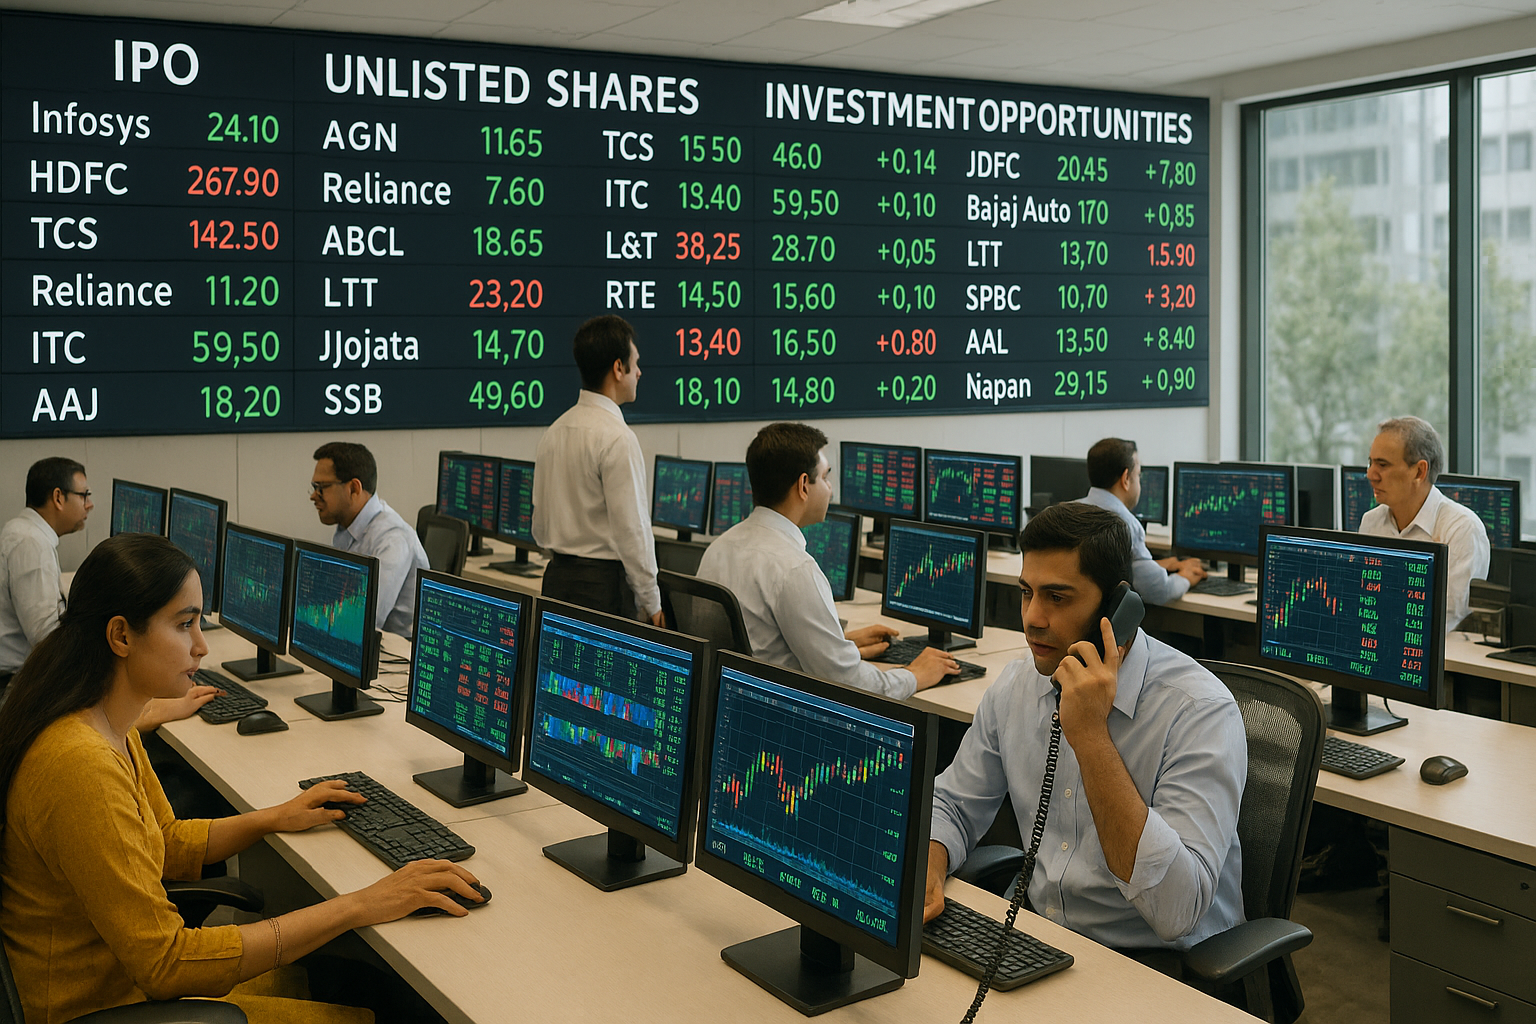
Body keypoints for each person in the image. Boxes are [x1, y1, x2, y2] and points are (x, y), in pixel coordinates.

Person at [0, 534, 483, 1024]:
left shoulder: (105, 722)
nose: (201, 645)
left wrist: (274, 817)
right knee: (383, 1006)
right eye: (184, 624)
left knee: (364, 984)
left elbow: (163, 842)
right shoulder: (81, 765)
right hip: (106, 1007)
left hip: (131, 989)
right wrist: (359, 904)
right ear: (121, 636)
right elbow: (167, 965)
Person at [925, 502, 1246, 954]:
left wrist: (1092, 737)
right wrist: (932, 865)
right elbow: (955, 803)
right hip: (1043, 939)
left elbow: (1177, 911)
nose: (1033, 617)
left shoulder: (1199, 711)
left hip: (1158, 965)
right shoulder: (1017, 685)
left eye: (1057, 597)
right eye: (1025, 593)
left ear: (1117, 608)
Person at [697, 423, 959, 697]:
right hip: (786, 718)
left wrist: (840, 643)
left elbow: (761, 641)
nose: (830, 488)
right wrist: (914, 675)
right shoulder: (794, 570)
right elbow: (848, 684)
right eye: (825, 477)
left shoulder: (719, 548)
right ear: (803, 486)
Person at [532, 315, 662, 625]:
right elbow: (632, 532)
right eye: (635, 363)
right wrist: (651, 601)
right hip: (601, 590)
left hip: (556, 580)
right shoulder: (617, 438)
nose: (639, 372)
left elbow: (538, 524)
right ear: (618, 368)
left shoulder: (555, 430)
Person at [1360, 416, 1490, 632]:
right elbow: (1365, 601)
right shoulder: (1371, 521)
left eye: (1382, 465)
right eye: (1370, 462)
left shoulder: (1462, 528)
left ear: (1419, 471)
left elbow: (1451, 622)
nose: (1370, 475)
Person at [310, 441, 429, 637]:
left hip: (397, 656)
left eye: (322, 487)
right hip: (362, 646)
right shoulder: (347, 528)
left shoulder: (392, 539)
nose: (314, 496)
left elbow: (365, 620)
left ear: (354, 488)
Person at [1076, 438, 1205, 605]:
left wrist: (1157, 565)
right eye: (1138, 475)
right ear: (1126, 479)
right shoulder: (1124, 524)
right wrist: (1184, 577)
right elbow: (1159, 591)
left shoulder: (1070, 512)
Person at [0, 457, 92, 683]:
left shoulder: (19, 529)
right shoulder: (31, 544)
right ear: (58, 497)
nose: (89, 504)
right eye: (84, 495)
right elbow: (47, 639)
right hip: (12, 684)